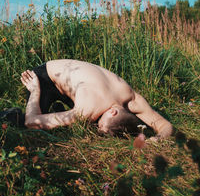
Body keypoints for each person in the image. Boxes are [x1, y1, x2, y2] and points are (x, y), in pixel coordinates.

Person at [20, 59, 173, 139]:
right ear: (113, 112)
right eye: (101, 123)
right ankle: (11, 116)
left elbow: (165, 126)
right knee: (30, 126)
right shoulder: (87, 110)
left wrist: (158, 139)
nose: (98, 126)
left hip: (74, 82)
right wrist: (35, 90)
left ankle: (58, 111)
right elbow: (32, 121)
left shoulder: (132, 98)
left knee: (79, 121)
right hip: (43, 77)